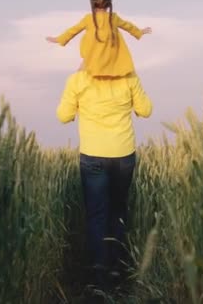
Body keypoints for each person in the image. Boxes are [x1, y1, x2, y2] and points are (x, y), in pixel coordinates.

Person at [55, 72, 153, 293]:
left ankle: (99, 278)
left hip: (93, 155)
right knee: (118, 210)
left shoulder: (78, 79)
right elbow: (146, 110)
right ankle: (117, 270)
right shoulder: (128, 76)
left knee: (97, 215)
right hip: (123, 154)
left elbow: (63, 115)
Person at [46, 0, 152, 77]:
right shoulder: (113, 18)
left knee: (78, 77)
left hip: (92, 58)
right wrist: (139, 31)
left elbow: (73, 30)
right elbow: (128, 26)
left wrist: (59, 39)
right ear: (109, 3)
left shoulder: (89, 18)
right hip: (109, 57)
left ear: (92, 2)